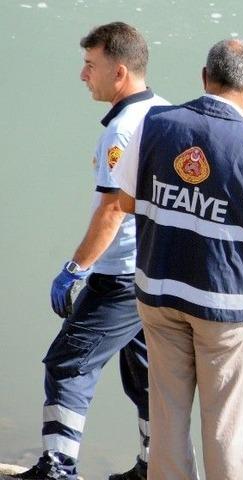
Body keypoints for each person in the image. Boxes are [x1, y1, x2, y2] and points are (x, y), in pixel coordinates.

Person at [112, 38, 243, 480]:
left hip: (158, 291)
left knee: (167, 414)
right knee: (227, 421)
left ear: (203, 76)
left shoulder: (154, 125)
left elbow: (125, 201)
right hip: (225, 307)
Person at [10, 22, 169, 480]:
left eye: (90, 65)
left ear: (119, 72)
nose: (83, 75)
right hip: (156, 272)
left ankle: (58, 467)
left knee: (68, 363)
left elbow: (110, 213)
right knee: (145, 376)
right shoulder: (163, 114)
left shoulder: (120, 131)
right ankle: (151, 467)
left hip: (119, 275)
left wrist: (75, 268)